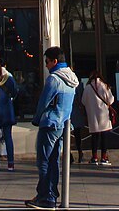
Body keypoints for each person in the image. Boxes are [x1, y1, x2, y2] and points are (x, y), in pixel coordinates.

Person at [26, 47, 78, 210]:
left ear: (54, 61)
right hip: (63, 125)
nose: (46, 65)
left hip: (49, 123)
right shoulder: (72, 79)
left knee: (44, 161)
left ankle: (46, 198)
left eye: (47, 62)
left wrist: (36, 119)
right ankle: (49, 194)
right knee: (54, 161)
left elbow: (43, 102)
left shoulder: (54, 79)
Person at [82, 70, 115, 166]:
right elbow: (111, 100)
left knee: (94, 137)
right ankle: (104, 157)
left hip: (93, 116)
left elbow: (83, 101)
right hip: (104, 115)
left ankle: (94, 157)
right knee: (104, 136)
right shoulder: (104, 86)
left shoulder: (88, 88)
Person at [70, 78, 87, 164]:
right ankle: (80, 152)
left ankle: (70, 155)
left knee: (66, 135)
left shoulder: (64, 83)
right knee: (77, 134)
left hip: (68, 111)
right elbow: (82, 99)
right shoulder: (79, 85)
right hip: (76, 111)